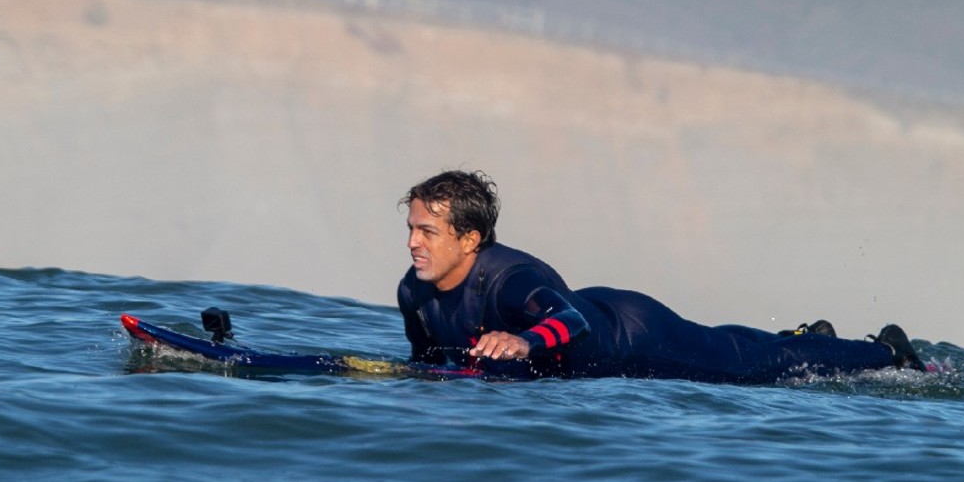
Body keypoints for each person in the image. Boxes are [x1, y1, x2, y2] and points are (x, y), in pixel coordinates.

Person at [396, 170, 924, 384]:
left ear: (468, 239)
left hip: (631, 337)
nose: (414, 243)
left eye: (428, 232)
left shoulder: (509, 278)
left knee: (755, 369)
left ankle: (888, 353)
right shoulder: (414, 294)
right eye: (412, 229)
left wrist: (521, 339)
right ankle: (809, 338)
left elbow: (569, 320)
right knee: (725, 342)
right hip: (609, 316)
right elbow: (428, 360)